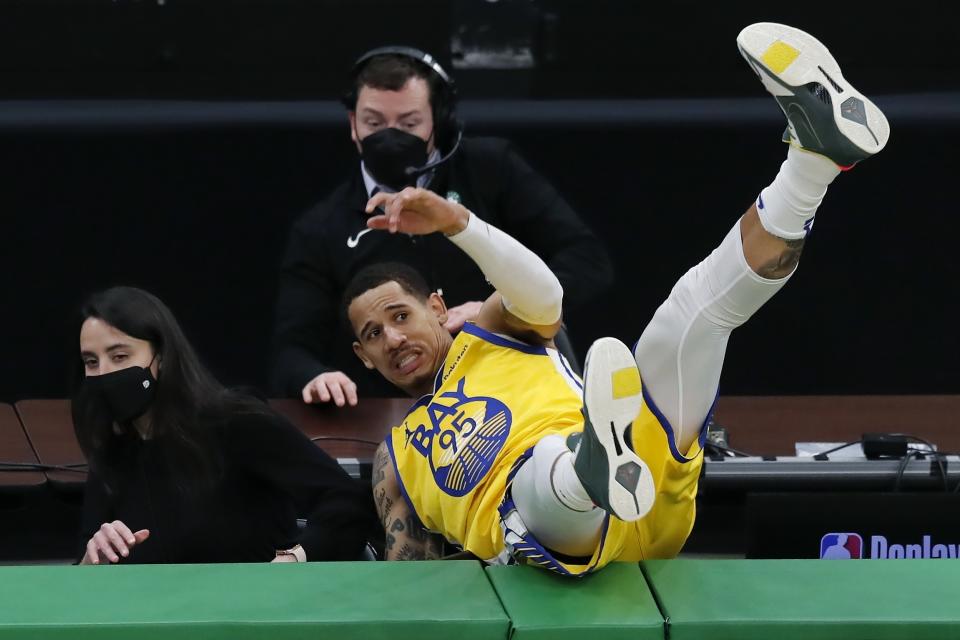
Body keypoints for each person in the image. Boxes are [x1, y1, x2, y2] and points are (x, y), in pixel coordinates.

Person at [346, 23, 889, 574]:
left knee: (694, 308)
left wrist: (458, 222)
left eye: (399, 315)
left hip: (646, 486)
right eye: (372, 335)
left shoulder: (491, 333)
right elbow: (407, 571)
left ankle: (812, 164)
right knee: (536, 479)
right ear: (362, 357)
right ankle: (588, 468)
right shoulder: (397, 453)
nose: (392, 337)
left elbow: (545, 293)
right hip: (556, 534)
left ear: (438, 308)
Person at [271, 46, 613, 406]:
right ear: (352, 125)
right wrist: (313, 376)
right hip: (402, 412)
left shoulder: (491, 169)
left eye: (408, 124)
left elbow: (588, 259)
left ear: (440, 120)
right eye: (373, 123)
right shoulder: (321, 228)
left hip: (511, 384)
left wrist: (496, 310)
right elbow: (291, 352)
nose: (390, 136)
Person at [72, 286, 379, 565]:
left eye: (120, 355)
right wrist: (91, 561)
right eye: (91, 362)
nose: (104, 373)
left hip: (257, 614)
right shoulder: (111, 452)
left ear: (162, 356)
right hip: (159, 620)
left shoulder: (235, 422)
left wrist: (294, 559)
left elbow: (346, 501)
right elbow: (82, 581)